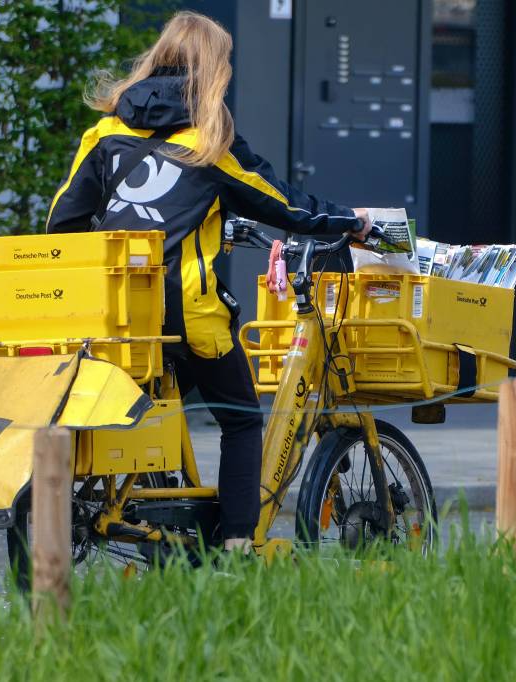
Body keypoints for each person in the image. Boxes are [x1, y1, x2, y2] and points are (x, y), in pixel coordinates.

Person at [46, 11, 371, 553]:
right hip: (187, 314)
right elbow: (284, 204)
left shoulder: (104, 133)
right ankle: (239, 544)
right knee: (242, 418)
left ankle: (173, 515)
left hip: (117, 315)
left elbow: (63, 221)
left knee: (165, 399)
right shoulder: (209, 140)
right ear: (212, 69)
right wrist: (351, 221)